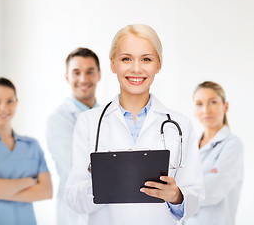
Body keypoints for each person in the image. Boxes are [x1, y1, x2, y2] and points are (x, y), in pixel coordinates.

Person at [65, 24, 204, 225]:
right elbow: (73, 198)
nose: (136, 68)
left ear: (158, 64)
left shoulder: (179, 125)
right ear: (113, 64)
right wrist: (102, 186)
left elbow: (195, 195)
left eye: (146, 59)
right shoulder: (89, 123)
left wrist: (176, 196)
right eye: (126, 59)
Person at [0, 77, 53, 225]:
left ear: (16, 103)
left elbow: (46, 191)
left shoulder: (32, 145)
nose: (3, 108)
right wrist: (27, 182)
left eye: (10, 101)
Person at [46, 47, 101, 225]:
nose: (83, 79)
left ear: (99, 75)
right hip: (75, 215)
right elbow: (75, 167)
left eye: (89, 72)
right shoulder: (58, 119)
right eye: (76, 72)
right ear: (67, 77)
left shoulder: (109, 116)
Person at [183, 81, 244, 225]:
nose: (205, 110)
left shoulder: (232, 145)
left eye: (213, 102)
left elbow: (212, 190)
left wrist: (177, 191)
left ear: (225, 106)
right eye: (199, 104)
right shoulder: (189, 146)